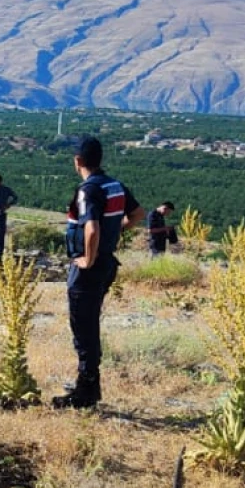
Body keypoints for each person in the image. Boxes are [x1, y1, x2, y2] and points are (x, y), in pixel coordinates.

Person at [53, 136, 142, 409]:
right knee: (89, 323)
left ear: (77, 161)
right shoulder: (114, 185)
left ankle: (86, 390)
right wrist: (115, 232)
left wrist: (87, 260)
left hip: (91, 268)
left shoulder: (88, 190)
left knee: (83, 326)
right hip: (107, 264)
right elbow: (138, 213)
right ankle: (88, 386)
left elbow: (91, 228)